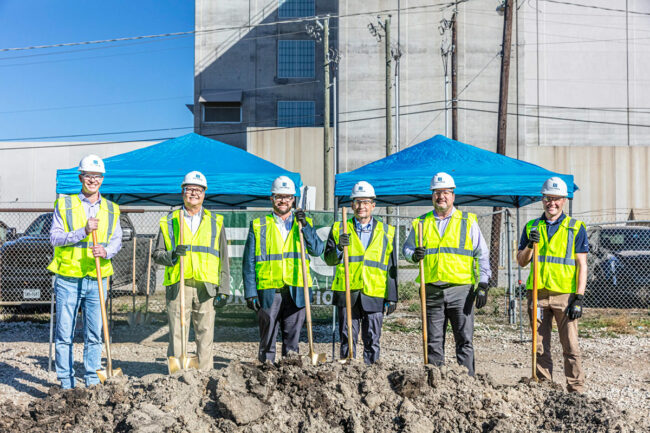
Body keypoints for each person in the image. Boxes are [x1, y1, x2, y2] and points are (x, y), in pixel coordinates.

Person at [402, 172, 491, 376]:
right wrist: (414, 255)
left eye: (445, 193)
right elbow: (406, 250)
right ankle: (435, 384)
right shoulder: (421, 223)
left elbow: (482, 254)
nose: (441, 196)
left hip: (461, 291)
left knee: (464, 340)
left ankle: (467, 383)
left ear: (453, 195)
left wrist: (483, 284)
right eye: (437, 192)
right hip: (432, 290)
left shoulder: (467, 221)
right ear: (432, 195)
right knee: (433, 341)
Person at [48, 154, 122, 389]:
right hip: (69, 279)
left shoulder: (112, 209)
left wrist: (106, 251)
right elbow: (55, 238)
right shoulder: (65, 204)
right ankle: (66, 383)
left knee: (94, 334)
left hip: (97, 280)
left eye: (97, 176)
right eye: (89, 175)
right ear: (81, 177)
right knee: (64, 334)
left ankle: (92, 380)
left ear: (102, 179)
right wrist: (83, 231)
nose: (93, 180)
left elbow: (118, 240)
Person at [153, 171, 230, 370]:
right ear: (182, 192)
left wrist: (224, 288)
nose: (193, 193)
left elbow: (223, 257)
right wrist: (172, 255)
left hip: (206, 286)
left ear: (204, 193)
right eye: (189, 189)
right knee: (177, 334)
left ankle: (204, 376)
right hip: (179, 285)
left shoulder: (216, 222)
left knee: (205, 334)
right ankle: (177, 378)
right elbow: (157, 254)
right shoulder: (169, 221)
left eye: (198, 189)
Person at [516, 176, 587, 393]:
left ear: (564, 200)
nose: (552, 203)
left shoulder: (575, 228)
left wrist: (579, 297)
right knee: (539, 345)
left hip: (564, 295)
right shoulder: (531, 227)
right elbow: (521, 260)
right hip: (537, 294)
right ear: (542, 199)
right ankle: (543, 388)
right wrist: (529, 244)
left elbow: (582, 264)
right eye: (548, 198)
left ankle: (576, 390)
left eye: (556, 199)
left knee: (570, 345)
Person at [242, 175, 324, 363]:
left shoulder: (302, 223)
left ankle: (290, 375)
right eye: (279, 196)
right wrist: (250, 292)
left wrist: (306, 227)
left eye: (287, 197)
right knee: (267, 339)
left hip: (297, 289)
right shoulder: (258, 225)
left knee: (292, 340)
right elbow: (248, 263)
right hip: (269, 290)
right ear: (271, 198)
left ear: (293, 199)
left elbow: (317, 250)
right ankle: (266, 372)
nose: (283, 201)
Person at [323, 181, 397, 363]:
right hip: (348, 292)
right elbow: (329, 259)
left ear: (373, 205)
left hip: (374, 292)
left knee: (373, 338)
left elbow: (391, 268)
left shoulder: (386, 232)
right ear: (351, 205)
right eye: (357, 202)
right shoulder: (339, 228)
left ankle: (372, 374)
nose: (361, 206)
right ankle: (347, 372)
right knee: (347, 337)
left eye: (365, 202)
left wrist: (392, 296)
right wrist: (339, 247)